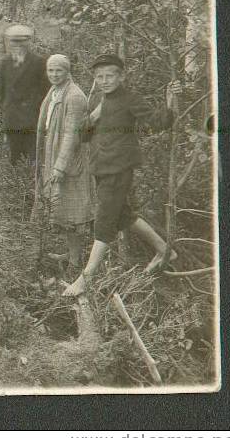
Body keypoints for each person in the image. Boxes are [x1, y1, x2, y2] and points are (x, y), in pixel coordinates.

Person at [63, 54, 182, 297]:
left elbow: (158, 122)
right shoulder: (98, 98)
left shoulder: (131, 99)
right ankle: (164, 249)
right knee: (123, 215)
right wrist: (94, 116)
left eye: (109, 76)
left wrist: (171, 101)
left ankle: (85, 279)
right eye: (99, 77)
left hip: (119, 170)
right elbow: (83, 135)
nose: (104, 81)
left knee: (104, 221)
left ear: (122, 76)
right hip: (101, 168)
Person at [32, 55, 95, 273]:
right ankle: (70, 253)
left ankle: (76, 262)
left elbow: (72, 136)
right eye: (50, 70)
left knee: (72, 213)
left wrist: (59, 166)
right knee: (61, 210)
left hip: (69, 163)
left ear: (67, 71)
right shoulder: (55, 91)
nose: (54, 75)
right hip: (54, 153)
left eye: (58, 71)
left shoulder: (75, 96)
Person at [0, 24, 50, 166]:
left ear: (28, 42)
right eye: (14, 41)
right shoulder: (5, 63)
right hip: (12, 117)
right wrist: (6, 110)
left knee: (32, 156)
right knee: (14, 156)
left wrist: (34, 107)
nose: (18, 45)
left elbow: (45, 91)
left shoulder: (39, 62)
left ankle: (31, 187)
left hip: (31, 118)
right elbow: (1, 91)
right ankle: (15, 186)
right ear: (9, 42)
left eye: (22, 41)